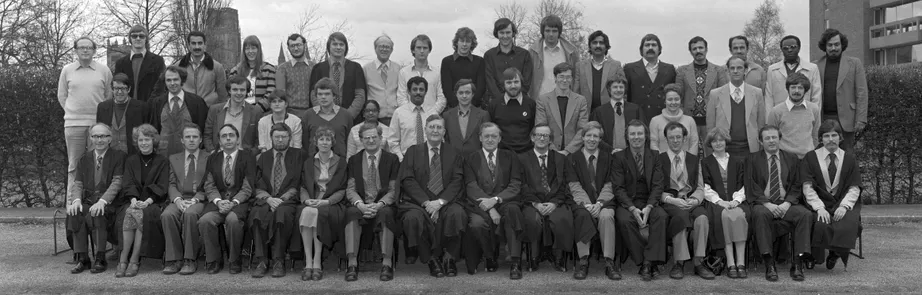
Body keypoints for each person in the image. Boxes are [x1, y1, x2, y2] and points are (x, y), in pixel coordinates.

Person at [397, 114, 468, 278]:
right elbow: (407, 180)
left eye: (439, 127)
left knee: (457, 214)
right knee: (412, 218)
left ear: (444, 131)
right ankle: (430, 259)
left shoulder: (454, 152)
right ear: (425, 130)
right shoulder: (413, 151)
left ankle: (449, 258)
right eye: (432, 127)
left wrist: (440, 202)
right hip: (419, 202)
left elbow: (458, 180)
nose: (435, 130)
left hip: (447, 201)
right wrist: (426, 202)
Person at [746, 125, 814, 282]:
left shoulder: (792, 158)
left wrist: (787, 203)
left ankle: (798, 263)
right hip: (764, 204)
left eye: (774, 137)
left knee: (805, 214)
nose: (771, 141)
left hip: (786, 203)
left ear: (779, 139)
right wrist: (767, 204)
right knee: (760, 215)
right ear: (760, 141)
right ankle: (769, 263)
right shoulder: (752, 159)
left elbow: (797, 184)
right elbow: (751, 184)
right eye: (767, 138)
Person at [461, 123, 525, 279]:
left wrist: (496, 200)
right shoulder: (471, 158)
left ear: (500, 138)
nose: (490, 139)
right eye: (486, 136)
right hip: (479, 204)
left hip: (506, 201)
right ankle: (490, 257)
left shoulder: (510, 156)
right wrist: (490, 207)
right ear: (480, 138)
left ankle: (515, 262)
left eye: (494, 136)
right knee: (476, 224)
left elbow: (515, 184)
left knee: (513, 212)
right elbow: (471, 186)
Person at [653, 122, 714, 280]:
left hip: (691, 200)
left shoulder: (694, 159)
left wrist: (695, 200)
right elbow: (655, 189)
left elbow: (700, 187)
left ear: (684, 138)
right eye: (671, 137)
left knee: (702, 218)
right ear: (666, 139)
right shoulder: (658, 160)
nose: (675, 140)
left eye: (678, 137)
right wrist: (672, 201)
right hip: (670, 202)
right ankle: (678, 263)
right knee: (680, 218)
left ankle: (698, 262)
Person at [611, 120, 668, 281]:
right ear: (627, 137)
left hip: (650, 200)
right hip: (628, 202)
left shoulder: (655, 156)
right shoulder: (619, 157)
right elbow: (618, 188)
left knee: (661, 216)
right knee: (624, 220)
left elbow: (658, 185)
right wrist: (632, 209)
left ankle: (647, 263)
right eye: (632, 134)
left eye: (640, 133)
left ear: (646, 136)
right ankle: (647, 261)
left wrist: (649, 206)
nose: (636, 137)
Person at [66, 123, 126, 274]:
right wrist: (76, 200)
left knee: (97, 212)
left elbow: (117, 182)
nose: (99, 140)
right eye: (96, 136)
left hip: (109, 203)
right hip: (89, 200)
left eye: (103, 136)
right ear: (91, 138)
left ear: (110, 138)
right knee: (76, 212)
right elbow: (77, 183)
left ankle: (100, 258)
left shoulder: (119, 156)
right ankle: (83, 258)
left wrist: (103, 201)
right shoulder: (84, 158)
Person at [801, 120, 862, 271]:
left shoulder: (849, 158)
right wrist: (819, 208)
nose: (830, 139)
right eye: (826, 136)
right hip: (819, 203)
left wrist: (844, 206)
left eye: (834, 135)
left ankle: (835, 253)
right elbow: (807, 186)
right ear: (820, 139)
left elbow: (855, 186)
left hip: (841, 202)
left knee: (851, 224)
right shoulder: (810, 157)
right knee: (820, 224)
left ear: (840, 137)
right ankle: (813, 256)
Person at [249, 123, 308, 278]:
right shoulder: (262, 157)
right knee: (256, 214)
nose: (280, 140)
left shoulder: (299, 155)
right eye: (277, 137)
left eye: (284, 136)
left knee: (282, 215)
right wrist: (268, 199)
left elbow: (302, 181)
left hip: (289, 200)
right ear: (271, 138)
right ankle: (262, 260)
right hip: (266, 199)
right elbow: (255, 183)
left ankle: (278, 261)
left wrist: (282, 199)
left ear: (290, 137)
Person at [344, 123, 401, 281]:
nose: (370, 140)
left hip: (383, 204)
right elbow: (350, 188)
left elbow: (393, 189)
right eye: (366, 138)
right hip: (361, 203)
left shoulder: (392, 159)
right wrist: (360, 205)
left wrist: (379, 204)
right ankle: (352, 263)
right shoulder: (354, 160)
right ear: (361, 140)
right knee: (351, 213)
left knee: (386, 214)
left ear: (381, 138)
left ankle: (387, 263)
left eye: (374, 137)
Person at [197, 124, 257, 275]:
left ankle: (234, 259)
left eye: (231, 135)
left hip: (239, 202)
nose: (228, 138)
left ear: (238, 139)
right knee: (205, 220)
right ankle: (214, 260)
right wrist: (218, 201)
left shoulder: (248, 157)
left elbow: (248, 186)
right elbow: (209, 185)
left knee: (233, 220)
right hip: (218, 203)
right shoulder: (213, 158)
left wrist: (233, 202)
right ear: (219, 141)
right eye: (224, 136)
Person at [61, 37, 113, 200]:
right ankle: (72, 203)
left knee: (97, 164)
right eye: (81, 47)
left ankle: (94, 201)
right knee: (74, 165)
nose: (85, 50)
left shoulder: (103, 71)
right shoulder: (67, 70)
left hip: (97, 125)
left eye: (89, 47)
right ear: (75, 50)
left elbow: (108, 96)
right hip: (73, 124)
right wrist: (73, 112)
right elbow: (62, 96)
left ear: (94, 50)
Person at [566, 121, 619, 280]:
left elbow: (610, 184)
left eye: (595, 136)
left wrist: (600, 203)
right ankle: (583, 261)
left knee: (606, 216)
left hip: (605, 202)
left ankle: (609, 262)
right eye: (588, 135)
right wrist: (588, 205)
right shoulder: (572, 158)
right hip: (582, 203)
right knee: (582, 215)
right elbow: (574, 185)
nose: (592, 139)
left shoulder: (609, 158)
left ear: (600, 139)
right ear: (582, 138)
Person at [115, 124, 169, 278]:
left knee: (139, 214)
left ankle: (132, 260)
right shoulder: (131, 160)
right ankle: (124, 259)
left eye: (147, 139)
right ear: (136, 141)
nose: (144, 143)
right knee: (130, 212)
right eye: (140, 140)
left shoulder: (162, 161)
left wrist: (147, 202)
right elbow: (128, 183)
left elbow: (162, 185)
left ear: (154, 141)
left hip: (154, 202)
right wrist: (133, 199)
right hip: (132, 201)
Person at [519, 124, 575, 272]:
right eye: (539, 135)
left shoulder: (561, 159)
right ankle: (534, 257)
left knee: (562, 218)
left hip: (556, 200)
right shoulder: (522, 159)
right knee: (532, 219)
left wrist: (555, 203)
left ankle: (559, 257)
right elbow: (521, 185)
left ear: (551, 140)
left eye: (546, 136)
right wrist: (535, 203)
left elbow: (565, 184)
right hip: (531, 202)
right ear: (532, 137)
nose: (542, 138)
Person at [298, 126, 348, 281]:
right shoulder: (308, 162)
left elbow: (342, 189)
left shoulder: (341, 162)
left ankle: (317, 261)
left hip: (332, 202)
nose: (325, 143)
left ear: (332, 142)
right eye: (321, 139)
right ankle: (309, 262)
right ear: (316, 142)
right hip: (312, 199)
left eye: (328, 139)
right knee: (308, 211)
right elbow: (303, 186)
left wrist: (326, 201)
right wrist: (306, 200)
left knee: (314, 213)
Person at [160, 123, 209, 275]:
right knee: (167, 215)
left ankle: (190, 259)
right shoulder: (174, 158)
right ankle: (175, 259)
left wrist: (195, 200)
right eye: (188, 137)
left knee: (190, 214)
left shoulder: (210, 157)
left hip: (200, 199)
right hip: (180, 198)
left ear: (200, 139)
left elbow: (210, 183)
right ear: (182, 140)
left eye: (195, 137)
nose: (191, 140)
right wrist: (178, 200)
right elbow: (171, 183)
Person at [701, 128, 749, 279]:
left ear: (726, 141)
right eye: (714, 141)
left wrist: (736, 200)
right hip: (716, 203)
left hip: (736, 201)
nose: (718, 143)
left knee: (740, 217)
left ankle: (740, 263)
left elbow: (743, 184)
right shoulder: (705, 162)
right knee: (725, 217)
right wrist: (720, 201)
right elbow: (705, 187)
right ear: (710, 144)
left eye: (721, 140)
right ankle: (730, 263)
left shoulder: (737, 161)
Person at [813, 29, 868, 153]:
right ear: (824, 46)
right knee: (822, 155)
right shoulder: (815, 66)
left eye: (836, 44)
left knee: (847, 156)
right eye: (830, 45)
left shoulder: (854, 63)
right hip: (822, 118)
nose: (833, 48)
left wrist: (861, 119)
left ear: (842, 45)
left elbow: (862, 93)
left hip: (846, 119)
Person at [675, 36, 728, 156]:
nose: (698, 51)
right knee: (688, 154)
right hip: (689, 120)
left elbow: (724, 96)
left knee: (711, 155)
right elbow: (678, 95)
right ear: (690, 51)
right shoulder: (682, 71)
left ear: (706, 49)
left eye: (700, 47)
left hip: (710, 122)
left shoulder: (718, 70)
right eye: (694, 49)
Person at [705, 56, 766, 159]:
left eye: (739, 68)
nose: (735, 71)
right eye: (732, 68)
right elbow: (711, 125)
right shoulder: (715, 94)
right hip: (725, 149)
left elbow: (760, 123)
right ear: (728, 71)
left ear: (745, 70)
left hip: (750, 148)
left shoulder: (757, 93)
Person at [149, 66, 208, 156]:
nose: (172, 83)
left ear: (182, 80)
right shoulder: (157, 103)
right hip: (163, 154)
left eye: (175, 79)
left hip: (189, 154)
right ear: (164, 82)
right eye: (168, 80)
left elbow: (203, 128)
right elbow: (153, 130)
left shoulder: (197, 102)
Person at [309, 32, 367, 121]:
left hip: (350, 119)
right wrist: (324, 115)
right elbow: (314, 95)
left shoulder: (356, 68)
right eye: (335, 44)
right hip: (323, 119)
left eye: (341, 44)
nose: (338, 47)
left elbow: (360, 95)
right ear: (329, 47)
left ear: (346, 47)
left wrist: (347, 116)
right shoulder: (318, 68)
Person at [624, 34, 677, 125]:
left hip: (663, 119)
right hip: (637, 119)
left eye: (654, 45)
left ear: (659, 49)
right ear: (641, 49)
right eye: (647, 45)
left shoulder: (669, 69)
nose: (650, 48)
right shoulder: (629, 69)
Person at [536, 62, 588, 155]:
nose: (564, 80)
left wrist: (568, 150)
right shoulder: (543, 100)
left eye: (568, 77)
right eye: (561, 76)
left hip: (573, 153)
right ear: (555, 78)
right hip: (550, 152)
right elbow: (541, 127)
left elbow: (582, 129)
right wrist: (555, 151)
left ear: (572, 79)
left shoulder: (581, 100)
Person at [165, 31, 228, 106]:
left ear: (205, 45)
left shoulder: (217, 67)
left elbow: (223, 95)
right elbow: (172, 90)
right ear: (188, 45)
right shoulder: (178, 66)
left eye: (200, 43)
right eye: (193, 43)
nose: (197, 47)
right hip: (186, 112)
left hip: (209, 112)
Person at [766, 72, 822, 159]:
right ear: (787, 89)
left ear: (805, 90)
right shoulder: (776, 111)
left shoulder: (814, 109)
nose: (796, 91)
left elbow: (816, 135)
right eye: (793, 87)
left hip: (808, 159)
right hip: (785, 160)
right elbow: (771, 138)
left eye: (800, 88)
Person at [765, 35, 822, 115]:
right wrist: (769, 120)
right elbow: (769, 97)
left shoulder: (812, 68)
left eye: (793, 47)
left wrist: (814, 117)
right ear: (781, 49)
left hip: (804, 114)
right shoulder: (772, 70)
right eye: (785, 48)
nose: (789, 50)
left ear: (799, 48)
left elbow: (816, 96)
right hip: (780, 115)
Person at [97, 73, 151, 155]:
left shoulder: (141, 107)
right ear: (112, 89)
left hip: (133, 156)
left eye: (123, 88)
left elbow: (147, 133)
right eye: (116, 88)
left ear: (129, 89)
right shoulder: (102, 107)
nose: (119, 92)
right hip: (110, 156)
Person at [528, 15, 580, 99]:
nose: (551, 34)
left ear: (559, 32)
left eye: (554, 31)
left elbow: (577, 79)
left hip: (565, 101)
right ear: (543, 32)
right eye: (547, 31)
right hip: (540, 102)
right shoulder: (533, 52)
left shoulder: (571, 52)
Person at [486, 67, 536, 153]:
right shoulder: (494, 104)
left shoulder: (530, 104)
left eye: (516, 82)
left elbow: (532, 128)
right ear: (503, 84)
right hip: (502, 153)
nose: (513, 86)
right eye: (509, 82)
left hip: (526, 152)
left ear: (521, 83)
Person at [204, 77, 262, 152]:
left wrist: (250, 156)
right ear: (229, 91)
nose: (238, 93)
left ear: (247, 91)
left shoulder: (256, 111)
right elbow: (207, 135)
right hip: (219, 157)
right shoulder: (215, 110)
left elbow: (259, 139)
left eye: (242, 90)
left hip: (245, 158)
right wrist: (213, 153)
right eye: (235, 90)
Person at [387, 76, 439, 161]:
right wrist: (401, 158)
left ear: (426, 92)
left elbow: (439, 138)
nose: (418, 92)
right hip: (406, 160)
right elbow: (393, 141)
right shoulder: (399, 113)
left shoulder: (433, 113)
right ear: (409, 91)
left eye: (421, 89)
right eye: (415, 89)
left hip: (429, 160)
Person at [483, 18, 533, 105]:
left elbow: (526, 81)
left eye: (508, 32)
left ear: (513, 33)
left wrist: (515, 98)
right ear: (497, 34)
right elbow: (490, 81)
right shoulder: (489, 56)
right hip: (497, 103)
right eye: (502, 33)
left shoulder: (524, 54)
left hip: (520, 102)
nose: (505, 36)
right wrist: (501, 100)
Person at [590, 75, 645, 153]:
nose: (618, 90)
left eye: (621, 87)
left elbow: (644, 133)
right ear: (609, 89)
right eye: (615, 87)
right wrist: (610, 150)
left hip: (632, 155)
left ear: (625, 89)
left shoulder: (636, 109)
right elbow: (595, 135)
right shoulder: (599, 112)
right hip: (607, 155)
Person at [574, 30, 626, 112]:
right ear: (590, 46)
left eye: (601, 43)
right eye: (594, 43)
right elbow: (575, 92)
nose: (598, 45)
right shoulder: (580, 66)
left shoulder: (616, 66)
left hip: (609, 112)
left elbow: (623, 90)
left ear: (606, 46)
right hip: (585, 113)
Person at [301, 78, 353, 156]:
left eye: (327, 94)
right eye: (320, 94)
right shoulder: (308, 115)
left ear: (334, 96)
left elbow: (350, 143)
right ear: (316, 96)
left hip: (340, 163)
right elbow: (305, 143)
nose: (323, 97)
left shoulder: (346, 115)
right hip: (314, 163)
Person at [113, 25, 165, 102]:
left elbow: (161, 86)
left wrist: (151, 104)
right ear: (130, 39)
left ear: (146, 39)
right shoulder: (120, 63)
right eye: (134, 36)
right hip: (127, 108)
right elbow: (117, 86)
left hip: (150, 108)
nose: (138, 38)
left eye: (141, 36)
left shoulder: (158, 61)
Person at [397, 34, 447, 114]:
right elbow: (401, 97)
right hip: (409, 117)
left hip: (432, 118)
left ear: (429, 50)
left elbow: (442, 97)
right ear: (413, 50)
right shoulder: (404, 72)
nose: (422, 51)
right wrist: (409, 113)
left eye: (425, 48)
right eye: (419, 48)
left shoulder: (437, 72)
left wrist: (432, 113)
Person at [228, 35, 277, 112]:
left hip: (262, 112)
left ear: (259, 50)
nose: (250, 51)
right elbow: (230, 92)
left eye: (253, 48)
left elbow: (271, 92)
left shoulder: (269, 69)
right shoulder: (235, 71)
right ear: (244, 51)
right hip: (240, 111)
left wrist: (257, 109)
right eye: (247, 49)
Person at [441, 27, 487, 108]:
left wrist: (470, 107)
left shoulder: (479, 61)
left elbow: (481, 87)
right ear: (456, 43)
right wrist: (458, 107)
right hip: (453, 108)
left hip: (475, 108)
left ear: (472, 44)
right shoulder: (447, 62)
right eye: (462, 41)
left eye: (468, 41)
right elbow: (446, 88)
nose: (464, 44)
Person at [443, 79, 491, 156]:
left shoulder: (483, 115)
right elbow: (446, 141)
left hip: (476, 162)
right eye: (461, 93)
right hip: (454, 162)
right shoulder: (447, 116)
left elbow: (487, 140)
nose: (464, 96)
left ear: (472, 94)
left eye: (467, 92)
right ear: (456, 94)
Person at [649, 84, 699, 155]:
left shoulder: (690, 121)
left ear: (680, 100)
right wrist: (662, 160)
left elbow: (694, 143)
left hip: (686, 163)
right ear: (665, 101)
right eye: (670, 99)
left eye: (676, 99)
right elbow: (654, 144)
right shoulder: (655, 121)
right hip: (663, 163)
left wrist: (689, 161)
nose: (673, 102)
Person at [363, 35, 401, 125]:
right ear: (375, 48)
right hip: (374, 118)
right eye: (381, 46)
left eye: (387, 47)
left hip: (394, 117)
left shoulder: (398, 69)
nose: (384, 49)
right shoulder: (366, 69)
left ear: (391, 50)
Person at [275, 33, 313, 117]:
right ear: (288, 48)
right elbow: (280, 95)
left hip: (312, 113)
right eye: (292, 46)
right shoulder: (282, 69)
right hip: (290, 114)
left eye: (298, 45)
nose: (296, 48)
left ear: (304, 45)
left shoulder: (314, 67)